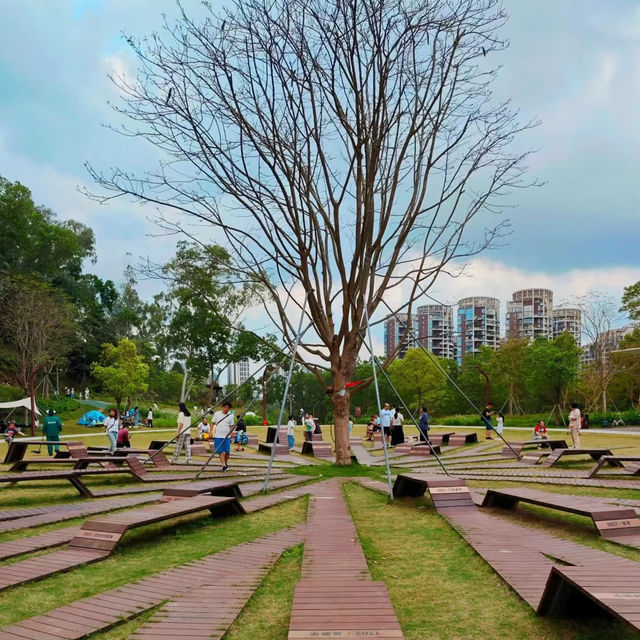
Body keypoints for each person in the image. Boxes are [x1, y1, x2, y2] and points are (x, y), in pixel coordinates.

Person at [212, 401, 234, 471]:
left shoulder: (230, 416)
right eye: (225, 407)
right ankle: (223, 465)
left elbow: (231, 426)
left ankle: (225, 463)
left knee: (227, 451)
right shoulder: (217, 414)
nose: (226, 409)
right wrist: (210, 432)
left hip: (226, 436)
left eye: (228, 408)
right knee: (220, 451)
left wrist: (232, 433)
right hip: (218, 436)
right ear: (223, 407)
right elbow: (212, 423)